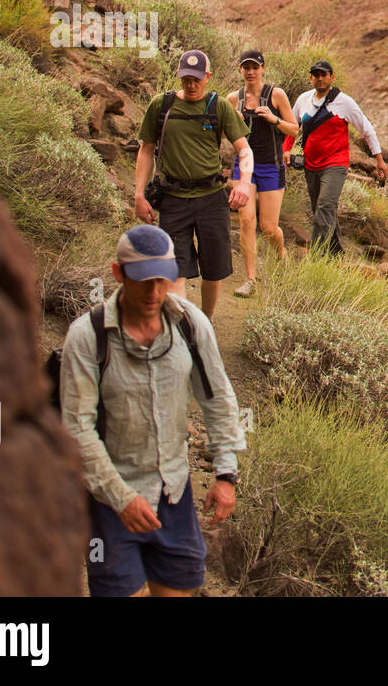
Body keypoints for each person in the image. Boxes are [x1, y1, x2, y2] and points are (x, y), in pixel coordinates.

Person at [60, 224, 246, 598]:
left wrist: (226, 472)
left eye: (163, 279)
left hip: (174, 493)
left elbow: (218, 398)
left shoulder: (191, 325)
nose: (154, 291)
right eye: (143, 280)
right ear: (118, 274)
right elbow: (77, 429)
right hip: (108, 501)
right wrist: (121, 498)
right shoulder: (87, 336)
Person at [134, 51, 252, 320]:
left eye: (197, 79)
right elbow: (145, 150)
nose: (191, 84)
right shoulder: (161, 106)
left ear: (207, 77)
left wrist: (244, 184)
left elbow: (244, 149)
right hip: (173, 199)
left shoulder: (219, 106)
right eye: (186, 79)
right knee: (175, 268)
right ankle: (182, 325)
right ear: (179, 77)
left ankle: (206, 319)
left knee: (214, 269)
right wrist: (139, 194)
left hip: (211, 199)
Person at [282, 59, 388, 255]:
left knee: (324, 206)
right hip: (310, 164)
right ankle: (336, 255)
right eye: (316, 75)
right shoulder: (303, 100)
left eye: (324, 75)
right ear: (310, 78)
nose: (320, 78)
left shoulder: (344, 102)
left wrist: (379, 159)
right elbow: (292, 126)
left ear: (332, 77)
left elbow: (367, 130)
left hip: (335, 164)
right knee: (320, 210)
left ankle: (316, 258)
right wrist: (286, 149)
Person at [226, 48, 298, 298]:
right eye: (246, 67)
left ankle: (281, 253)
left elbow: (294, 130)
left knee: (268, 227)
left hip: (271, 166)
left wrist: (273, 118)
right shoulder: (233, 99)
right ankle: (250, 279)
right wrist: (233, 120)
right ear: (240, 71)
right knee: (246, 221)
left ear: (262, 69)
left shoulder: (276, 95)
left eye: (255, 67)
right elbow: (222, 132)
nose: (250, 71)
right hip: (244, 166)